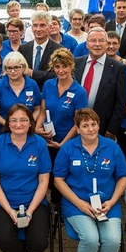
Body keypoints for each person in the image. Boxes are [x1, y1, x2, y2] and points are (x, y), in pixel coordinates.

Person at [54, 108, 126, 252]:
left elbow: (123, 176)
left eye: (93, 124)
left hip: (107, 205)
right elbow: (58, 180)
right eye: (85, 125)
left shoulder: (112, 147)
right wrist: (79, 203)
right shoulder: (68, 149)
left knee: (112, 239)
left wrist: (112, 201)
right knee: (90, 239)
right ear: (77, 129)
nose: (90, 129)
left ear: (99, 125)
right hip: (76, 205)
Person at [0, 104, 51, 252]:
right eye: (13, 120)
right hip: (5, 201)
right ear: (7, 123)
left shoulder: (39, 143)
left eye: (23, 120)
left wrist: (30, 211)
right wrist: (9, 210)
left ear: (30, 122)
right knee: (5, 242)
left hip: (34, 201)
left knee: (40, 243)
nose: (18, 124)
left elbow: (44, 180)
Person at [36, 49, 88, 206]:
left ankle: (59, 208)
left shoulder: (79, 91)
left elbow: (77, 123)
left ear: (71, 66)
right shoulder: (48, 85)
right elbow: (43, 111)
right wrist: (37, 129)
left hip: (67, 141)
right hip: (47, 139)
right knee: (47, 174)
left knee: (62, 175)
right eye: (57, 67)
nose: (61, 70)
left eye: (64, 66)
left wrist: (62, 144)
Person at [74, 27, 126, 138]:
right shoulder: (76, 63)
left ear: (106, 44)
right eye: (93, 40)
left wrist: (112, 129)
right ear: (86, 44)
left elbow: (120, 102)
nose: (97, 44)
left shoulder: (118, 68)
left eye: (101, 40)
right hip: (75, 125)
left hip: (103, 126)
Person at [0, 52, 41, 138]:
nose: (13, 71)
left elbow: (38, 108)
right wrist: (8, 124)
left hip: (27, 133)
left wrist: (28, 123)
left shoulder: (32, 84)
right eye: (9, 68)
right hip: (4, 132)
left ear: (23, 67)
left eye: (16, 67)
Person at [18, 11, 63, 90]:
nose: (38, 29)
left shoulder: (58, 50)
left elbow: (58, 75)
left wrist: (33, 73)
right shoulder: (23, 49)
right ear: (31, 28)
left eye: (42, 25)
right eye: (35, 25)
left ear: (49, 27)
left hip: (49, 93)